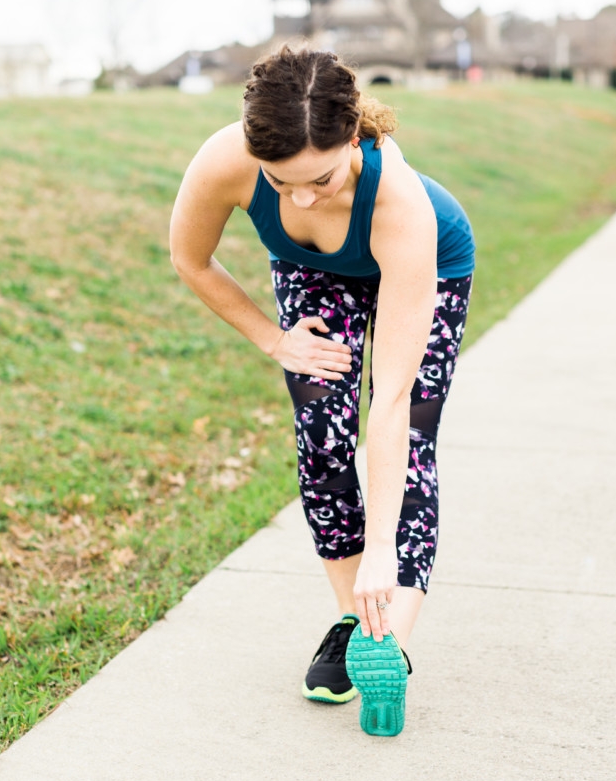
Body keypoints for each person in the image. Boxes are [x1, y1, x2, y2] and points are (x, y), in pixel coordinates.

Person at [169, 45, 474, 737]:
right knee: (323, 439)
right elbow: (190, 258)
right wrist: (274, 338)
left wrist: (383, 547)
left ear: (355, 135)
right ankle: (355, 618)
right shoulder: (226, 160)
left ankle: (388, 633)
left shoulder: (401, 204)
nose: (302, 196)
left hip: (430, 264)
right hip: (314, 272)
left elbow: (391, 402)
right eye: (282, 183)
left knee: (410, 439)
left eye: (322, 178)